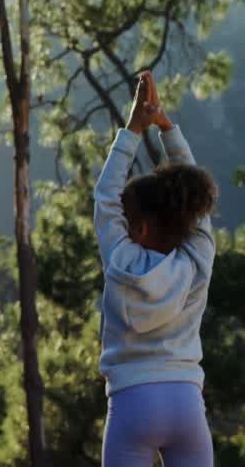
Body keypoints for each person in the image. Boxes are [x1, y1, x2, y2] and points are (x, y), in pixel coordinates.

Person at [95, 70, 218, 467]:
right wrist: (166, 128)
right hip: (185, 401)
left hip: (132, 401)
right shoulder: (197, 260)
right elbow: (197, 202)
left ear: (141, 228)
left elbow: (105, 196)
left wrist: (134, 127)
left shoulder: (120, 260)